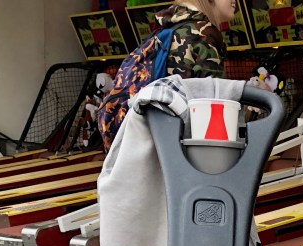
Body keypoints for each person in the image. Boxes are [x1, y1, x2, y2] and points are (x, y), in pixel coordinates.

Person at [96, 0, 230, 152]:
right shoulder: (205, 33)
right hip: (177, 146)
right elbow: (214, 107)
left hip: (144, 138)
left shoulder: (168, 28)